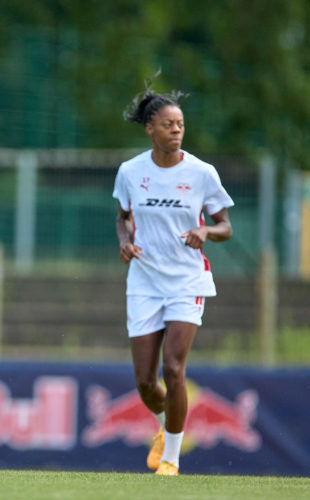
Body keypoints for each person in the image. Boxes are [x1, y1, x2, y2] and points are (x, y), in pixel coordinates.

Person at [112, 82, 234, 476]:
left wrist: (207, 233)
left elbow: (225, 225)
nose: (177, 130)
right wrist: (126, 242)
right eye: (168, 124)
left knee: (174, 369)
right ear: (150, 128)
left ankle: (171, 460)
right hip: (144, 281)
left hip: (186, 281)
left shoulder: (201, 173)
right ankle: (166, 427)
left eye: (180, 124)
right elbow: (123, 217)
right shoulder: (131, 171)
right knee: (146, 383)